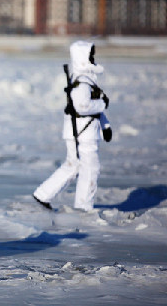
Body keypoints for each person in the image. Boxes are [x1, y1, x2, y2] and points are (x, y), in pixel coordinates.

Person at [33, 40, 112, 212]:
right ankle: (83, 207)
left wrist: (106, 126)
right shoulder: (83, 81)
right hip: (83, 133)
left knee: (74, 165)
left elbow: (93, 108)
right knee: (90, 168)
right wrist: (103, 104)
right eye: (90, 55)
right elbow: (82, 107)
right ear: (83, 58)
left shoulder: (83, 79)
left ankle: (43, 194)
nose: (93, 58)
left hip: (80, 131)